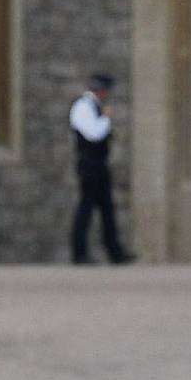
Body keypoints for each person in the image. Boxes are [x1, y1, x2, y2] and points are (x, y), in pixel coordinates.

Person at [69, 73, 131, 265]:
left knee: (107, 209)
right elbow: (93, 134)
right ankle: (79, 254)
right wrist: (105, 118)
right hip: (89, 165)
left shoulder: (94, 107)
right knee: (86, 208)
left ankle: (115, 252)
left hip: (99, 164)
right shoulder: (82, 106)